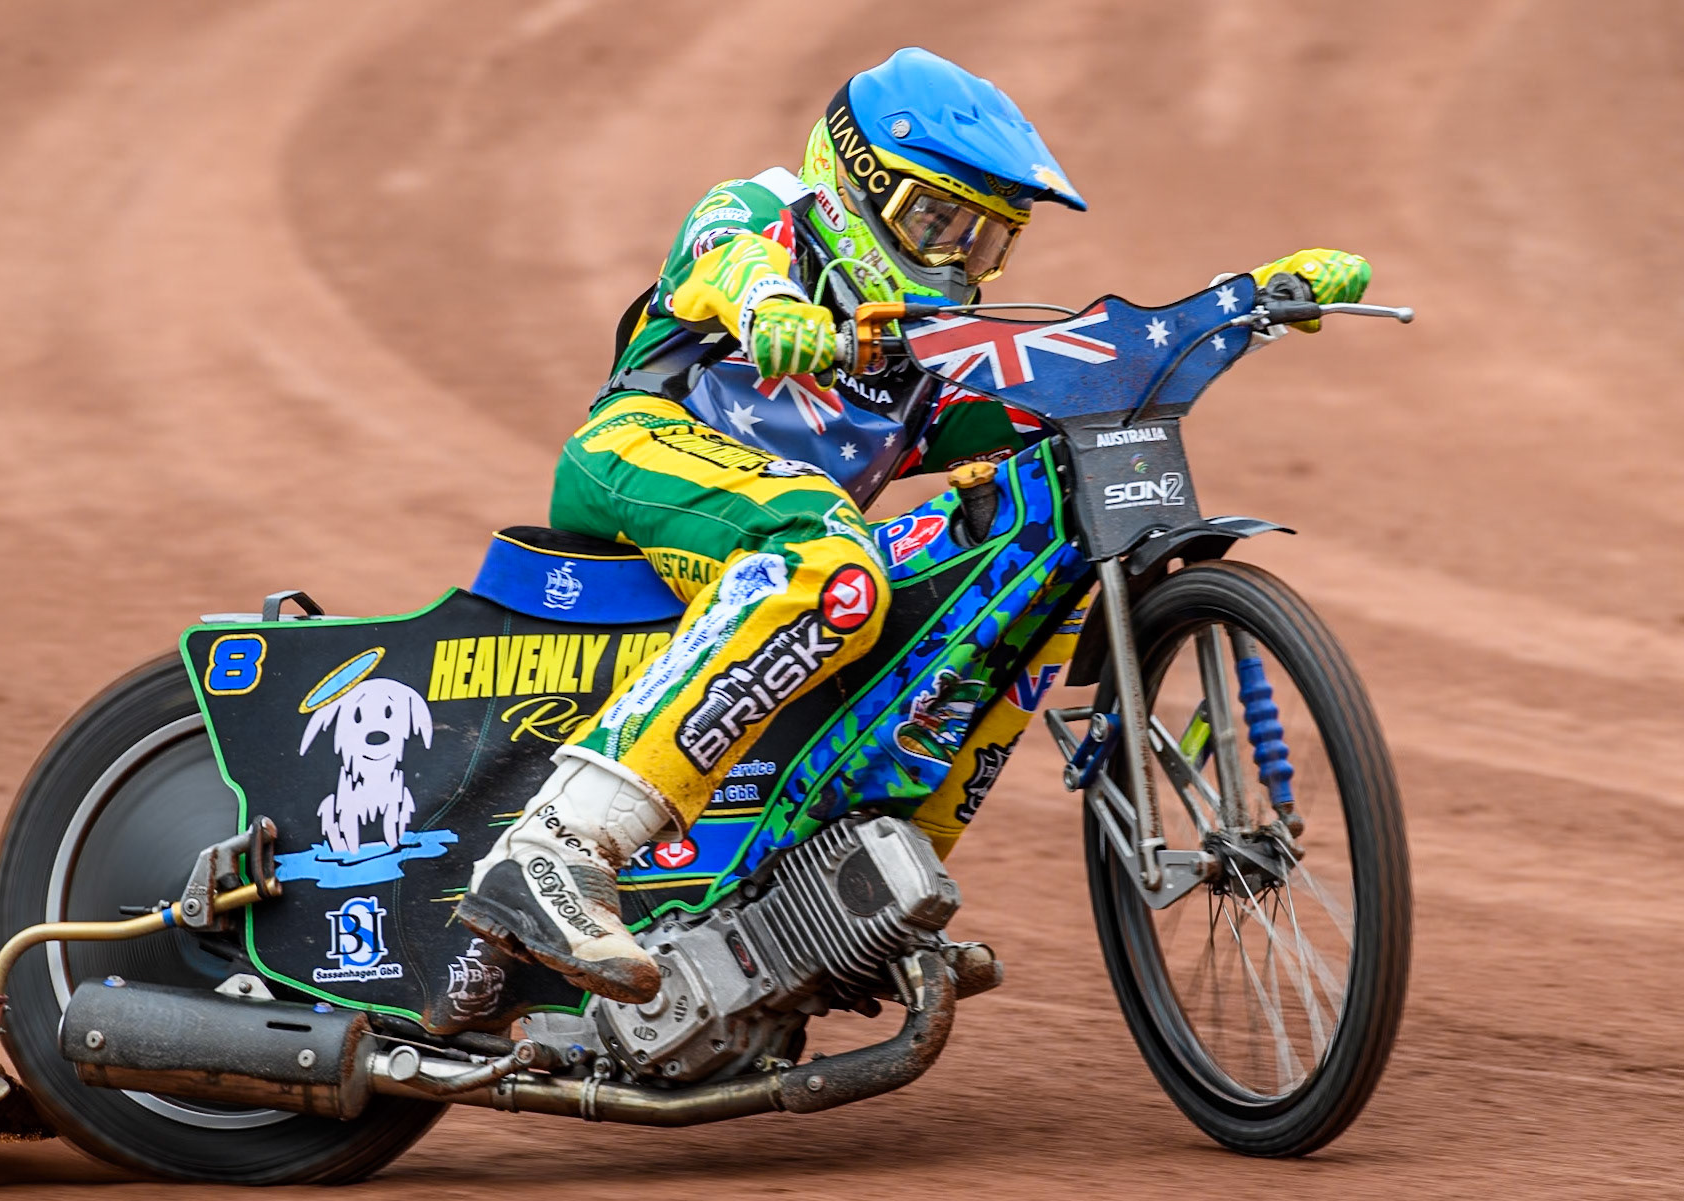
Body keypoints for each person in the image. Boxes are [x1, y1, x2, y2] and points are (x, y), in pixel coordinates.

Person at [457, 47, 1370, 1004]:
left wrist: (1243, 303)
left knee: (1033, 527)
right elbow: (729, 262)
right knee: (827, 561)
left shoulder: (927, 350)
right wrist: (772, 308)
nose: (956, 261)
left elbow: (1074, 380)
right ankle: (553, 850)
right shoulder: (761, 212)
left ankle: (863, 888)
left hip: (776, 520)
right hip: (644, 451)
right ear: (853, 182)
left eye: (984, 243)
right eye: (936, 222)